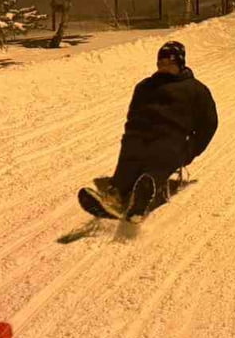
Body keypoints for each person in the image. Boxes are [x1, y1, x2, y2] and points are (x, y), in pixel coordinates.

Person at [81, 41, 218, 219]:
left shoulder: (196, 90)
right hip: (140, 136)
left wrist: (191, 149)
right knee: (130, 157)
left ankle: (144, 195)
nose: (164, 68)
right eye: (161, 64)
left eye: (170, 64)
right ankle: (115, 195)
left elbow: (209, 124)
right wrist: (131, 134)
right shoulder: (145, 86)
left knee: (160, 159)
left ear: (180, 64)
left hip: (172, 139)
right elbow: (133, 115)